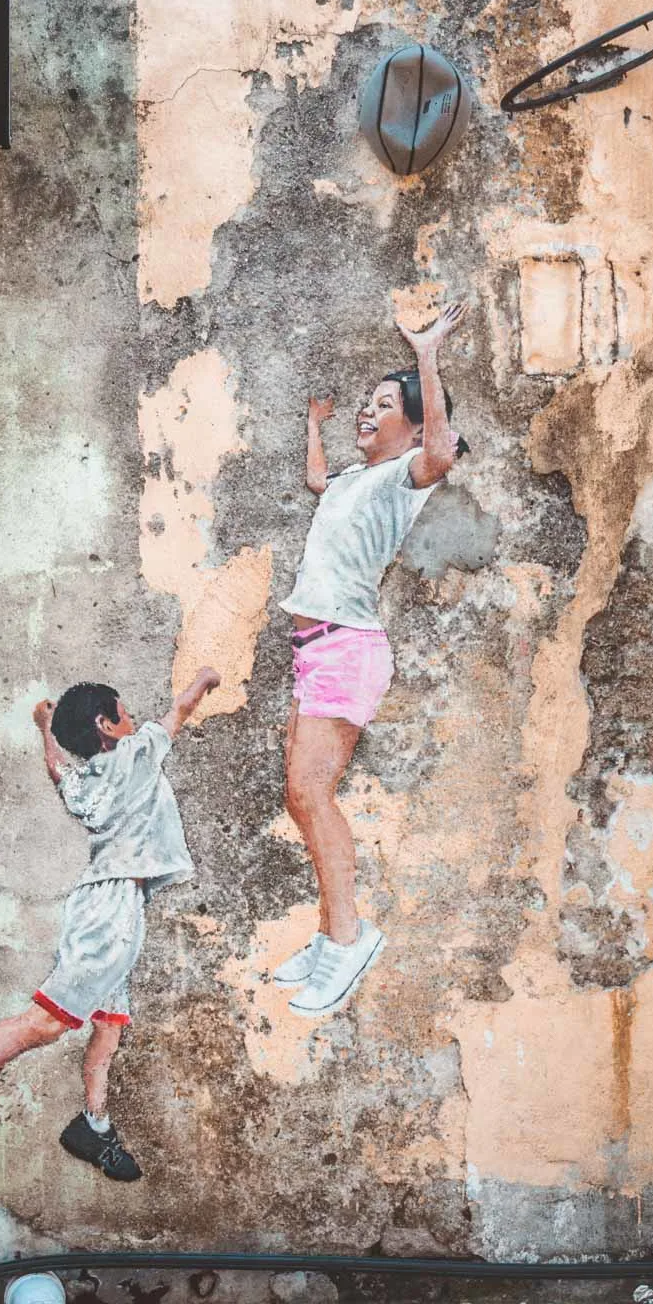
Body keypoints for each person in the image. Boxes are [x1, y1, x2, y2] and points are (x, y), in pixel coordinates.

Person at [0, 664, 220, 1217]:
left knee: (108, 1026)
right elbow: (179, 710)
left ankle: (93, 1124)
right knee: (47, 1021)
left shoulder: (84, 782)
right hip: (109, 910)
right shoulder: (135, 754)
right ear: (108, 725)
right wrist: (203, 681)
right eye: (125, 713)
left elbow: (58, 771)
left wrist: (43, 728)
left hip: (118, 905)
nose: (134, 719)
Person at [275, 301, 469, 1019]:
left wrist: (426, 356)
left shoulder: (402, 480)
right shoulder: (357, 480)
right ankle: (332, 937)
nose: (368, 412)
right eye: (369, 402)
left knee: (311, 794)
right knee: (302, 797)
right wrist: (316, 426)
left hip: (345, 650)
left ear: (413, 426)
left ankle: (349, 939)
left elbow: (441, 455)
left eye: (383, 406)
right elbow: (317, 484)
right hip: (315, 651)